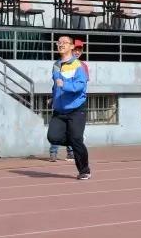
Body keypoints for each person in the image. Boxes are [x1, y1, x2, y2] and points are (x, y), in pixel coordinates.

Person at [47, 35, 91, 180]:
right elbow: (55, 85)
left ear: (71, 46)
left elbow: (80, 86)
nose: (61, 45)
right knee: (53, 137)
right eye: (58, 42)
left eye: (64, 43)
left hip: (76, 109)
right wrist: (53, 97)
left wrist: (64, 85)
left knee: (76, 140)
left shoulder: (79, 65)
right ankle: (75, 137)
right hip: (60, 109)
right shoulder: (56, 65)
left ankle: (84, 170)